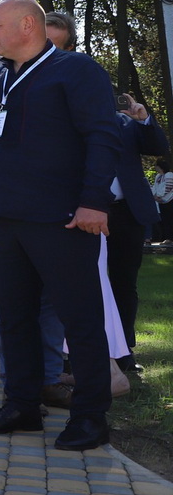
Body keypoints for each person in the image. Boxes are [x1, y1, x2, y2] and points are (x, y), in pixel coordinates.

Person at [0, 0, 120, 451]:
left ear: (28, 26)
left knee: (79, 318)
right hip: (7, 219)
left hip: (63, 218)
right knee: (16, 318)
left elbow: (103, 136)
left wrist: (94, 202)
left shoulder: (75, 70)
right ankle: (22, 405)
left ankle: (90, 416)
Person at [106, 93, 168, 372]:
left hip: (126, 213)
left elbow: (158, 147)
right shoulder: (70, 124)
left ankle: (124, 351)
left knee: (124, 283)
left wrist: (143, 119)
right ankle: (82, 351)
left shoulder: (127, 124)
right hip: (86, 211)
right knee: (85, 285)